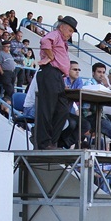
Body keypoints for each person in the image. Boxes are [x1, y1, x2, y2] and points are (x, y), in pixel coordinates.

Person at [35, 16, 78, 150]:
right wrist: (51, 56)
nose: (70, 34)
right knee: (48, 109)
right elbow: (44, 40)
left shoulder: (62, 41)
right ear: (62, 27)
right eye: (70, 30)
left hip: (58, 76)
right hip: (50, 73)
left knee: (62, 109)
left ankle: (52, 141)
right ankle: (44, 143)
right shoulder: (55, 34)